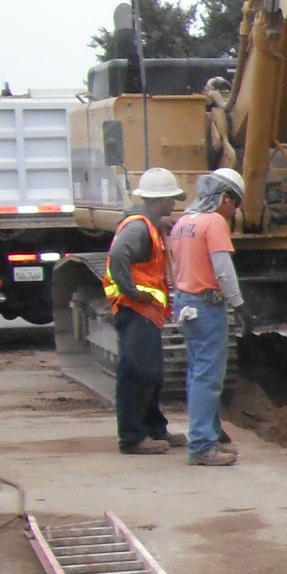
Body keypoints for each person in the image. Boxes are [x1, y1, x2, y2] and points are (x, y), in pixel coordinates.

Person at [168, 168, 247, 466]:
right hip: (206, 305)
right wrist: (238, 303)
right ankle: (202, 445)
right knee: (208, 377)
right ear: (225, 198)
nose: (234, 210)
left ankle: (210, 434)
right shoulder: (213, 222)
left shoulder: (183, 223)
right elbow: (223, 269)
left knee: (197, 372)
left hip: (186, 302)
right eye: (235, 203)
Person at [103, 168, 183, 455]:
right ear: (161, 201)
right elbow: (117, 257)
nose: (173, 204)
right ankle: (132, 438)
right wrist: (132, 293)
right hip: (136, 310)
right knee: (137, 372)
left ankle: (154, 428)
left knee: (153, 373)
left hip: (146, 312)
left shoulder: (148, 225)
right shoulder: (139, 229)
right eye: (171, 200)